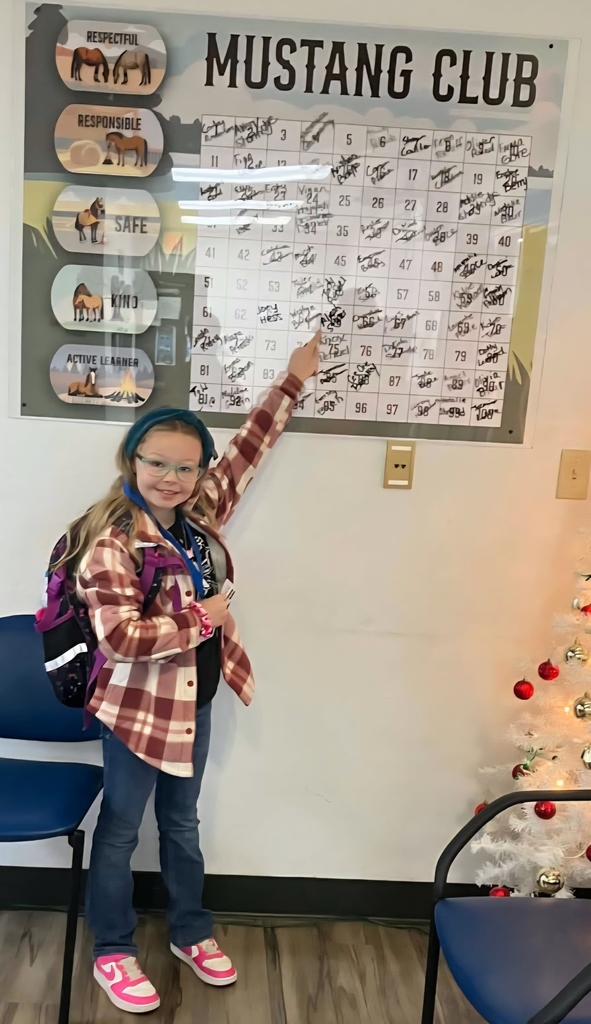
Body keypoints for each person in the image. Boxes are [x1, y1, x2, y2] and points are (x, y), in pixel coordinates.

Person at [59, 333, 319, 1013]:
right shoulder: (110, 538)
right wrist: (203, 619)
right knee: (119, 829)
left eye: (186, 468)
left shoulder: (198, 518)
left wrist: (290, 384)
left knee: (181, 824)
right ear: (132, 460)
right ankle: (112, 948)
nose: (171, 478)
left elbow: (247, 453)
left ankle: (189, 932)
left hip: (193, 703)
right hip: (135, 713)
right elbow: (120, 638)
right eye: (157, 464)